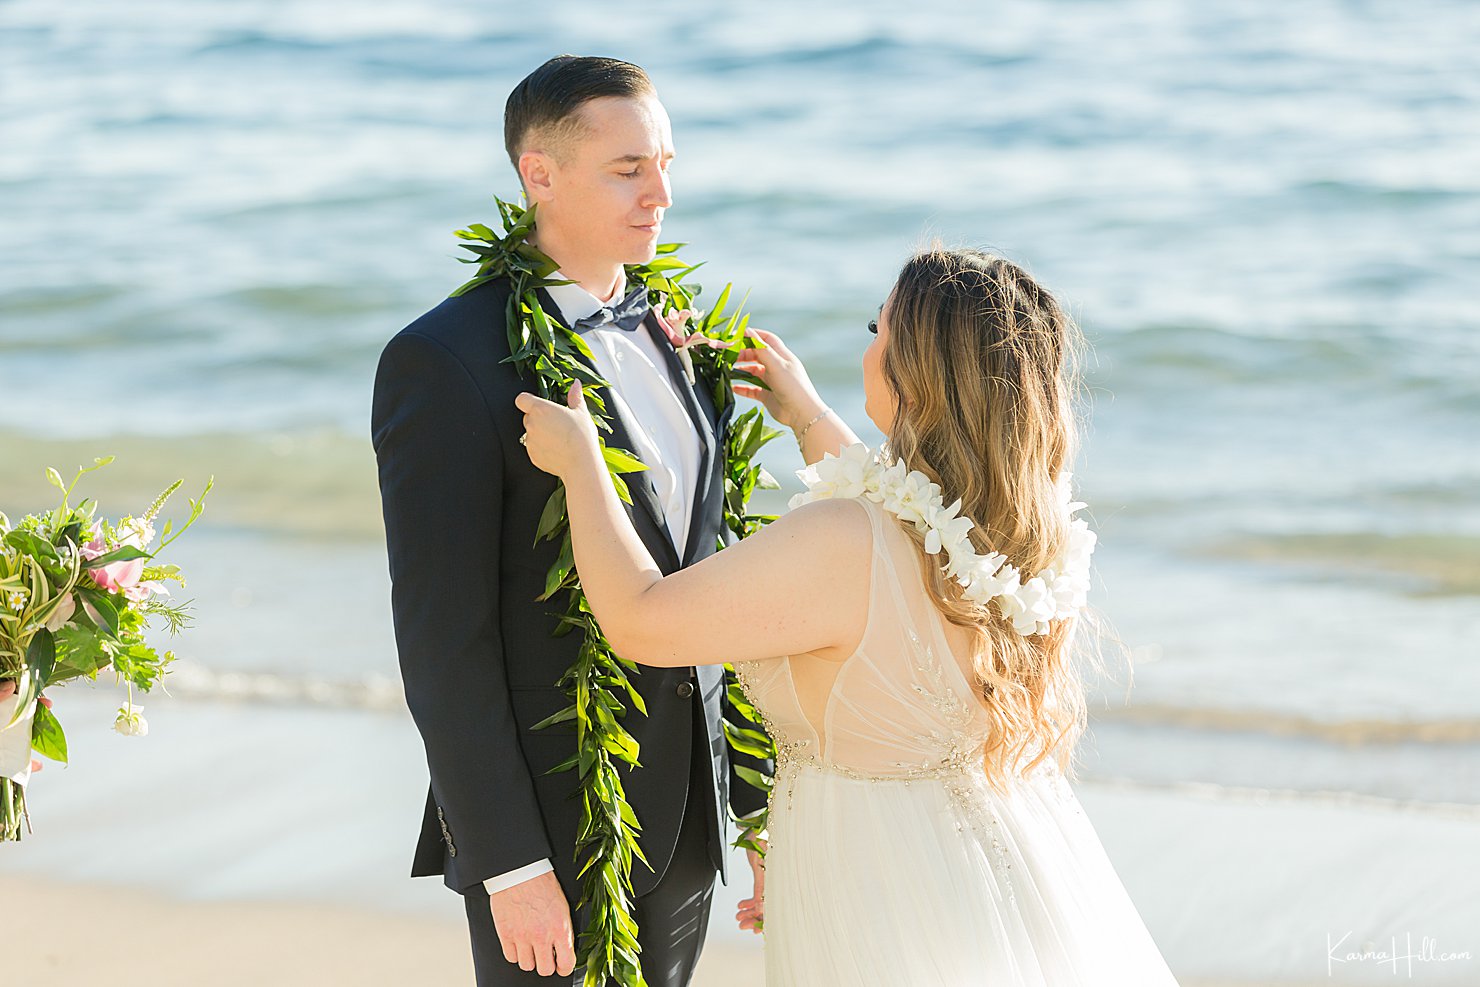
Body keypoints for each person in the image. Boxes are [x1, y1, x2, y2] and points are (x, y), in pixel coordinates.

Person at [516, 246, 1184, 985]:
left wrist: (584, 466)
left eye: (880, 328)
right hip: (991, 857)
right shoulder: (1025, 530)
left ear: (919, 374)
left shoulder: (846, 540)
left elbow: (643, 619)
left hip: (877, 886)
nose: (868, 347)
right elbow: (905, 530)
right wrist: (803, 412)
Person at [371, 55, 771, 985]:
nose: (661, 192)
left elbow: (718, 577)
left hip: (687, 816)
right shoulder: (445, 360)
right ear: (538, 175)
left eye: (665, 161)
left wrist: (751, 802)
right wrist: (509, 863)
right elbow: (442, 641)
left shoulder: (672, 328)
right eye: (629, 168)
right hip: (558, 824)